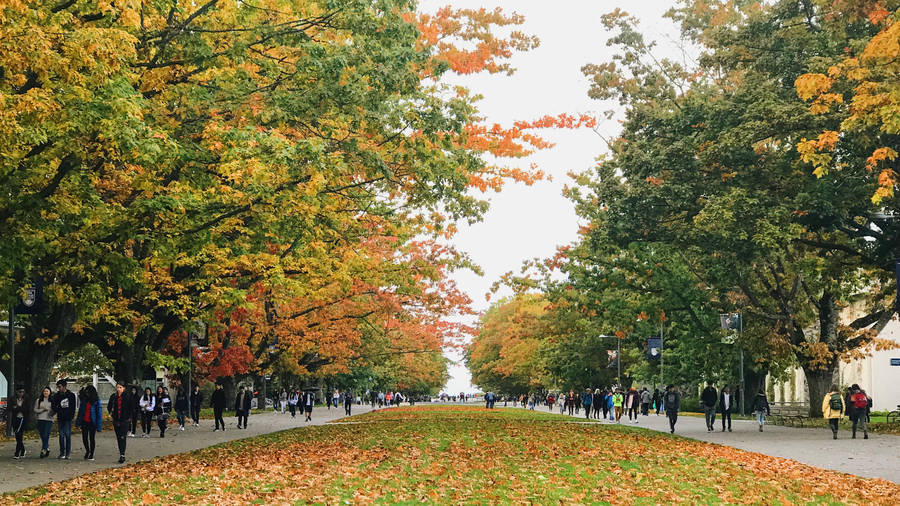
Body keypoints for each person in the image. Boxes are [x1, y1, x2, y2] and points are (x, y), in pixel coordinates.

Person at [75, 385, 102, 460]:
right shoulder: (84, 400)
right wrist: (78, 422)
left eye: (88, 392)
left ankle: (91, 453)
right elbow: (80, 411)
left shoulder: (96, 400)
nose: (87, 393)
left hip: (92, 422)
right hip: (84, 421)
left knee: (91, 438)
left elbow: (99, 413)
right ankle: (87, 450)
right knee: (84, 438)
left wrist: (99, 426)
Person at [52, 379, 77, 459]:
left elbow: (73, 407)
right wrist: (57, 411)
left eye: (60, 387)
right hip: (60, 417)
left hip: (68, 418)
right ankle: (62, 452)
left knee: (67, 434)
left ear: (64, 386)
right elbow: (53, 405)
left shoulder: (71, 395)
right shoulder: (57, 396)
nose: (59, 389)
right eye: (58, 387)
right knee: (61, 435)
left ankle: (67, 453)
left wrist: (71, 416)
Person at [108, 381, 132, 464]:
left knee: (123, 437)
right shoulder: (113, 397)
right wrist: (111, 414)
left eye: (120, 387)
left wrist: (128, 416)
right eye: (117, 387)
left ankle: (122, 454)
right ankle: (121, 452)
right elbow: (109, 406)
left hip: (124, 420)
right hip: (116, 420)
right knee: (119, 437)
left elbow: (131, 407)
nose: (118, 389)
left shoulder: (128, 397)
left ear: (124, 388)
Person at [34, 386, 54, 458]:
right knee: (42, 435)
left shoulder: (52, 400)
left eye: (47, 391)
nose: (45, 392)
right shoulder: (39, 400)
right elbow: (35, 410)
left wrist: (52, 413)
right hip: (40, 419)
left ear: (50, 392)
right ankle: (47, 448)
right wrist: (42, 410)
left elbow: (55, 409)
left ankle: (43, 450)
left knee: (46, 434)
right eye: (44, 391)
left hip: (49, 419)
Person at [10, 385, 28, 459]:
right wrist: (18, 408)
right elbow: (10, 408)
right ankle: (23, 450)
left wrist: (17, 408)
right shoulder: (13, 399)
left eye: (23, 392)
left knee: (20, 434)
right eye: (20, 392)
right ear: (17, 392)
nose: (21, 393)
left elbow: (26, 409)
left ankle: (17, 453)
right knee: (17, 436)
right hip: (15, 419)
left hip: (23, 419)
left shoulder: (26, 399)